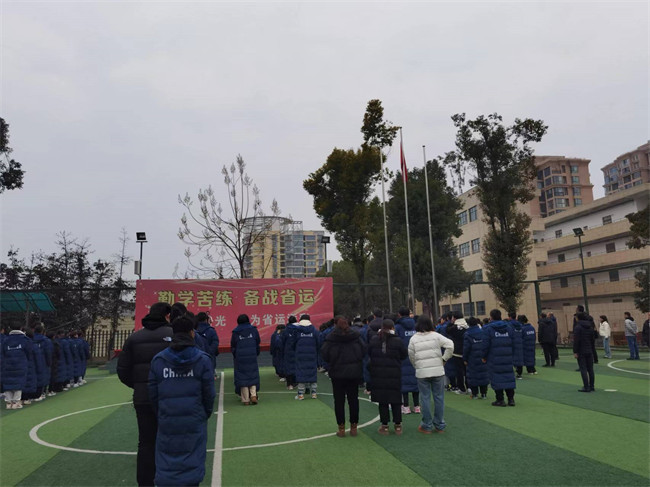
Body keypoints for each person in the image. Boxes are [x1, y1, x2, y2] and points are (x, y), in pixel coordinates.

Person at [148, 316, 216, 487]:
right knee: (193, 460)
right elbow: (209, 394)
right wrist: (203, 414)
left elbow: (153, 395)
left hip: (168, 419)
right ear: (192, 333)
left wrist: (163, 413)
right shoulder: (203, 359)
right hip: (194, 418)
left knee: (167, 460)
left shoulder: (159, 360)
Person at [117, 302, 173, 487]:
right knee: (170, 440)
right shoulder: (173, 335)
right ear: (167, 316)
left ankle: (145, 483)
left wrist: (139, 385)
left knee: (146, 443)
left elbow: (123, 370)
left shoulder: (134, 338)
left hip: (143, 398)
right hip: (168, 397)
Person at [321, 316, 366, 438]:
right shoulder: (356, 336)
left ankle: (341, 428)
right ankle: (354, 427)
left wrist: (332, 362)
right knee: (353, 400)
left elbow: (324, 354)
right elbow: (363, 351)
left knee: (339, 401)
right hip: (353, 372)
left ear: (336, 325)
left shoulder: (331, 338)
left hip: (337, 373)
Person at [408, 315, 454, 434]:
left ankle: (426, 425)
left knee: (425, 398)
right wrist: (444, 359)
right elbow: (450, 345)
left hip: (422, 372)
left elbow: (411, 356)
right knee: (439, 398)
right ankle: (439, 424)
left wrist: (417, 366)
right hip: (437, 371)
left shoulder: (413, 339)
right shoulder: (436, 336)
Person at [368, 319, 408, 435]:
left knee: (382, 400)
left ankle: (384, 425)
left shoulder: (375, 339)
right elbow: (404, 355)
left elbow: (369, 353)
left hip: (378, 373)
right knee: (396, 399)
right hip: (394, 373)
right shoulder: (397, 341)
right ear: (392, 328)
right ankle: (398, 425)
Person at [483, 309, 517, 407]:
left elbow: (485, 345)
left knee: (496, 377)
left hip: (494, 357)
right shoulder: (509, 327)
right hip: (507, 356)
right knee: (508, 376)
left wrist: (484, 356)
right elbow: (514, 342)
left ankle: (500, 399)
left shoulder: (488, 329)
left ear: (491, 317)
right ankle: (511, 399)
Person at [230, 314, 261, 405]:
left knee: (242, 377)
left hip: (240, 357)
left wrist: (236, 354)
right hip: (252, 355)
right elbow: (258, 341)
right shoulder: (253, 330)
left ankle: (246, 399)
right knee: (253, 374)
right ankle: (253, 395)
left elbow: (233, 345)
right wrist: (256, 352)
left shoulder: (236, 332)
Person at [1, 323, 32, 409]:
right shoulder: (25, 339)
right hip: (20, 363)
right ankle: (16, 402)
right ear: (21, 328)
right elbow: (29, 353)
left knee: (8, 382)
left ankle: (8, 402)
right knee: (19, 382)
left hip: (7, 364)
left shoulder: (5, 339)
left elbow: (2, 353)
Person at [395, 307, 419, 413]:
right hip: (415, 355)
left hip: (403, 357)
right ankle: (417, 406)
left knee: (404, 381)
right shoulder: (416, 325)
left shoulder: (398, 327)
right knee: (415, 381)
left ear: (399, 314)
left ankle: (406, 406)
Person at [293, 314, 320, 400]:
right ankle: (314, 393)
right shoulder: (314, 330)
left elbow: (293, 343)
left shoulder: (296, 330)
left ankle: (300, 394)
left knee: (301, 373)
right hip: (312, 355)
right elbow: (318, 343)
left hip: (300, 356)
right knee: (312, 373)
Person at [462, 317, 488, 399]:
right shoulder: (483, 332)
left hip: (472, 358)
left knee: (473, 376)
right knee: (483, 375)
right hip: (482, 357)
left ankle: (475, 394)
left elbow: (466, 348)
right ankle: (484, 394)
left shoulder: (467, 334)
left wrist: (465, 358)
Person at [446, 311, 469, 394]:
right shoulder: (467, 326)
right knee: (467, 370)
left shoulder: (454, 327)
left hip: (457, 352)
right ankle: (469, 387)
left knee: (459, 371)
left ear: (454, 318)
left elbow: (447, 330)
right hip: (467, 351)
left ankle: (461, 388)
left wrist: (451, 322)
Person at [573, 312, 595, 392]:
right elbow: (592, 339)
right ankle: (591, 386)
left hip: (581, 350)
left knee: (583, 369)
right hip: (589, 349)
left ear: (578, 318)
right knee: (590, 369)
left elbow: (576, 340)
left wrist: (575, 351)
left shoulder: (578, 327)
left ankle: (586, 386)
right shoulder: (590, 327)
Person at [506, 312, 524, 379]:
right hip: (519, 342)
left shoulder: (509, 325)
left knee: (511, 358)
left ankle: (512, 373)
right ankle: (519, 373)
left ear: (510, 317)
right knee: (519, 357)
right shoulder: (520, 325)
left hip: (511, 342)